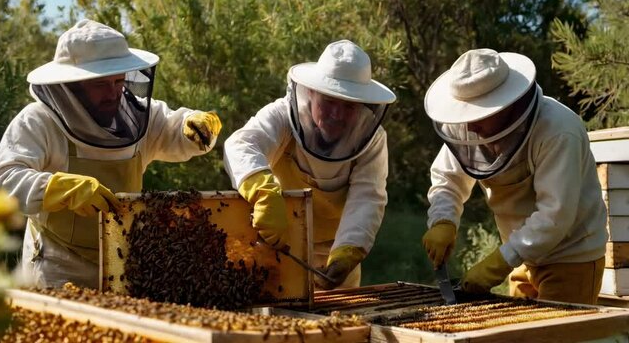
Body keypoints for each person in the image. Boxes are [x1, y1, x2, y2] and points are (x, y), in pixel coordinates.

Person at [0, 19, 222, 289]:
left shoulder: (137, 115)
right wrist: (59, 188)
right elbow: (2, 183)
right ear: (72, 85)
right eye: (100, 84)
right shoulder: (39, 121)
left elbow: (175, 130)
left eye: (118, 80)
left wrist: (196, 124)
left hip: (124, 265)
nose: (113, 93)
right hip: (58, 266)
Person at [421, 48, 607, 304]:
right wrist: (443, 220)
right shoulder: (467, 127)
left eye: (480, 115)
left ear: (507, 104)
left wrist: (499, 262)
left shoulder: (558, 130)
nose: (471, 126)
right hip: (520, 256)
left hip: (571, 256)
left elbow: (555, 215)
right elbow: (448, 178)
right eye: (466, 115)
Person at [224, 40, 396, 290]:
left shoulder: (373, 138)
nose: (337, 114)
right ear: (311, 93)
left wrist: (348, 250)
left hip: (335, 252)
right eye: (329, 101)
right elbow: (241, 145)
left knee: (341, 326)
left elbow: (367, 197)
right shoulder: (283, 115)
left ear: (360, 106)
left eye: (348, 106)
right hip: (278, 245)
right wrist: (263, 193)